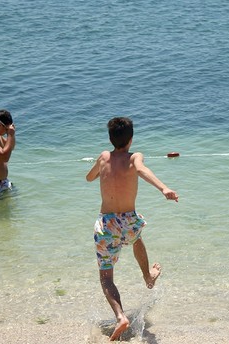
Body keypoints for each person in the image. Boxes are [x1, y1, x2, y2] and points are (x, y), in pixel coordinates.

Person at [86, 117, 179, 341]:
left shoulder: (103, 157)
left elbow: (89, 178)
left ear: (110, 138)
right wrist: (163, 188)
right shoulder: (134, 156)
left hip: (106, 223)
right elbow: (141, 169)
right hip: (127, 220)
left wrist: (100, 170)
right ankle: (147, 276)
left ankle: (120, 316)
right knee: (137, 239)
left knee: (106, 277)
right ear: (131, 139)